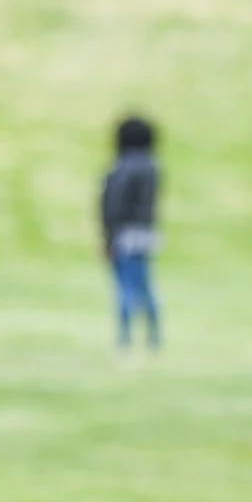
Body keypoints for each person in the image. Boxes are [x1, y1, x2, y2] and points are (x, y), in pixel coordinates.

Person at [100, 115, 161, 351]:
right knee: (146, 286)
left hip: (124, 233)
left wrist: (108, 235)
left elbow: (113, 204)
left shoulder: (122, 167)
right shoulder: (153, 167)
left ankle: (124, 338)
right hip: (146, 233)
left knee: (124, 287)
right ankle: (154, 336)